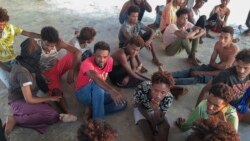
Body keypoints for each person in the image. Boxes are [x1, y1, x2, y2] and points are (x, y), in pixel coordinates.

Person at [4, 38, 77, 137]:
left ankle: (29, 113)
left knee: (49, 106)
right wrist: (49, 98)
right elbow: (29, 99)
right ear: (32, 56)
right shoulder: (23, 72)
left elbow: (36, 71)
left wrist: (43, 78)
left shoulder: (25, 62)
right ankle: (16, 119)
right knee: (50, 115)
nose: (39, 56)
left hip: (25, 97)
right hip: (18, 101)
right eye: (37, 55)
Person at [196, 49, 250, 125]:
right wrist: (197, 111)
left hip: (241, 100)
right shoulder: (225, 76)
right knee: (217, 126)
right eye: (238, 66)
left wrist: (246, 105)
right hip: (226, 105)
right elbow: (205, 90)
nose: (241, 71)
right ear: (235, 63)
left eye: (245, 68)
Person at [75, 41, 127, 120]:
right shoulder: (87, 63)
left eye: (105, 57)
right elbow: (95, 77)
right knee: (97, 84)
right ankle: (98, 120)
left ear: (108, 56)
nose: (102, 60)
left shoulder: (110, 61)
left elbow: (105, 78)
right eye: (98, 56)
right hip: (84, 94)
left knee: (122, 102)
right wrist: (111, 90)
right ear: (94, 55)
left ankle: (93, 110)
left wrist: (114, 91)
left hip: (98, 93)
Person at [171, 26, 239, 85]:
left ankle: (171, 82)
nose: (222, 40)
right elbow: (211, 62)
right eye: (221, 36)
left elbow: (224, 71)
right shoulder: (218, 44)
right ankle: (168, 75)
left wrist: (202, 73)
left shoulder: (234, 50)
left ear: (231, 38)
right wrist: (218, 66)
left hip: (227, 74)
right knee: (192, 70)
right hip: (219, 67)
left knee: (199, 78)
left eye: (226, 38)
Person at [37, 26, 82, 113]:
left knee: (75, 56)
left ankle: (83, 82)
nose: (49, 48)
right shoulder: (34, 45)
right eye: (47, 45)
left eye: (52, 45)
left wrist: (72, 71)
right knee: (56, 92)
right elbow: (30, 65)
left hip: (57, 66)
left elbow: (78, 52)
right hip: (46, 74)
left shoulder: (59, 42)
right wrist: (41, 76)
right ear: (41, 39)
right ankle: (67, 113)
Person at [0, 7, 40, 88]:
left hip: (13, 59)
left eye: (3, 24)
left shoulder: (10, 28)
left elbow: (28, 34)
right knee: (12, 87)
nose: (1, 27)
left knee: (27, 82)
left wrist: (44, 36)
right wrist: (9, 70)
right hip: (1, 64)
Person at [118, 5, 161, 72]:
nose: (135, 18)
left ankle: (154, 58)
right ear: (128, 16)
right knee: (135, 46)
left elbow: (152, 31)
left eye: (137, 16)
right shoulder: (125, 27)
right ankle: (139, 64)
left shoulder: (138, 23)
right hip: (125, 45)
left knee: (149, 35)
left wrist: (148, 41)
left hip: (135, 42)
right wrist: (144, 43)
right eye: (133, 16)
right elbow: (132, 41)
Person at [134, 71, 175, 141]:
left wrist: (156, 110)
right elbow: (138, 104)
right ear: (151, 86)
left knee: (165, 128)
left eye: (163, 92)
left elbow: (160, 118)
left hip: (157, 112)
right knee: (148, 134)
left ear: (168, 91)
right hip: (142, 109)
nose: (158, 96)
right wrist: (151, 121)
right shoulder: (141, 87)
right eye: (155, 90)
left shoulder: (169, 98)